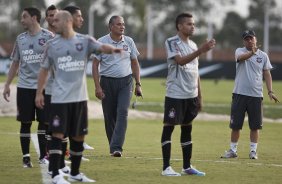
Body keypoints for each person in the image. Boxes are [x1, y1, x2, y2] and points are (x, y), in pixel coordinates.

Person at [35, 10, 121, 183]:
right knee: (58, 134)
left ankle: (74, 172)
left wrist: (113, 50)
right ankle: (56, 174)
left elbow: (101, 47)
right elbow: (44, 70)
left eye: (57, 20)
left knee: (78, 136)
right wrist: (39, 93)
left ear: (67, 21)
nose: (53, 23)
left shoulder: (85, 40)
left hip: (80, 99)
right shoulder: (51, 45)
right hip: (59, 98)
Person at [161, 13, 216, 176]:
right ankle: (166, 168)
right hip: (175, 93)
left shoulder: (192, 44)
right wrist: (201, 50)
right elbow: (180, 61)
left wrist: (199, 95)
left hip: (190, 95)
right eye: (189, 24)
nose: (193, 27)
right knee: (169, 128)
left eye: (194, 24)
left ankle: (187, 167)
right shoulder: (171, 42)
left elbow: (196, 71)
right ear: (179, 26)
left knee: (187, 129)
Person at [2, 7, 54, 168]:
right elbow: (15, 63)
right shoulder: (20, 39)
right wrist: (7, 84)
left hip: (44, 87)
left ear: (34, 18)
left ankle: (43, 156)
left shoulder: (48, 37)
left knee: (44, 122)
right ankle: (26, 157)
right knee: (25, 122)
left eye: (24, 17)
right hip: (24, 87)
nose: (21, 20)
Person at [221, 30, 279, 160]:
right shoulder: (239, 51)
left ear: (256, 39)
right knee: (236, 125)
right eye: (246, 39)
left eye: (251, 38)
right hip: (239, 94)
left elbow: (267, 73)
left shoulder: (263, 56)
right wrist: (251, 53)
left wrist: (270, 91)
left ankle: (253, 151)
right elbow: (240, 59)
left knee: (255, 125)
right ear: (244, 41)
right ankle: (232, 150)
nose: (249, 41)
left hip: (256, 95)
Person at [92, 15, 142, 157]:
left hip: (125, 82)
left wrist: (138, 84)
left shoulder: (129, 41)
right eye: (119, 24)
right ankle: (113, 147)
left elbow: (134, 63)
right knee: (109, 117)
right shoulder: (101, 42)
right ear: (111, 26)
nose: (122, 27)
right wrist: (97, 87)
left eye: (123, 24)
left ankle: (116, 147)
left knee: (122, 112)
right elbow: (95, 65)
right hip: (106, 83)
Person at [44, 4, 71, 176]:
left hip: (65, 90)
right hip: (51, 89)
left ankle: (60, 159)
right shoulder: (47, 39)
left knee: (62, 126)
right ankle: (52, 161)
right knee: (51, 126)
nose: (54, 19)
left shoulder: (67, 38)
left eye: (56, 15)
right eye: (51, 15)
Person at [63, 5, 94, 151]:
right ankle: (57, 160)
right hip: (60, 92)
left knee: (76, 127)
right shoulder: (55, 41)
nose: (82, 19)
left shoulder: (82, 40)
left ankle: (74, 148)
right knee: (57, 129)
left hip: (78, 92)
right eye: (79, 16)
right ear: (69, 18)